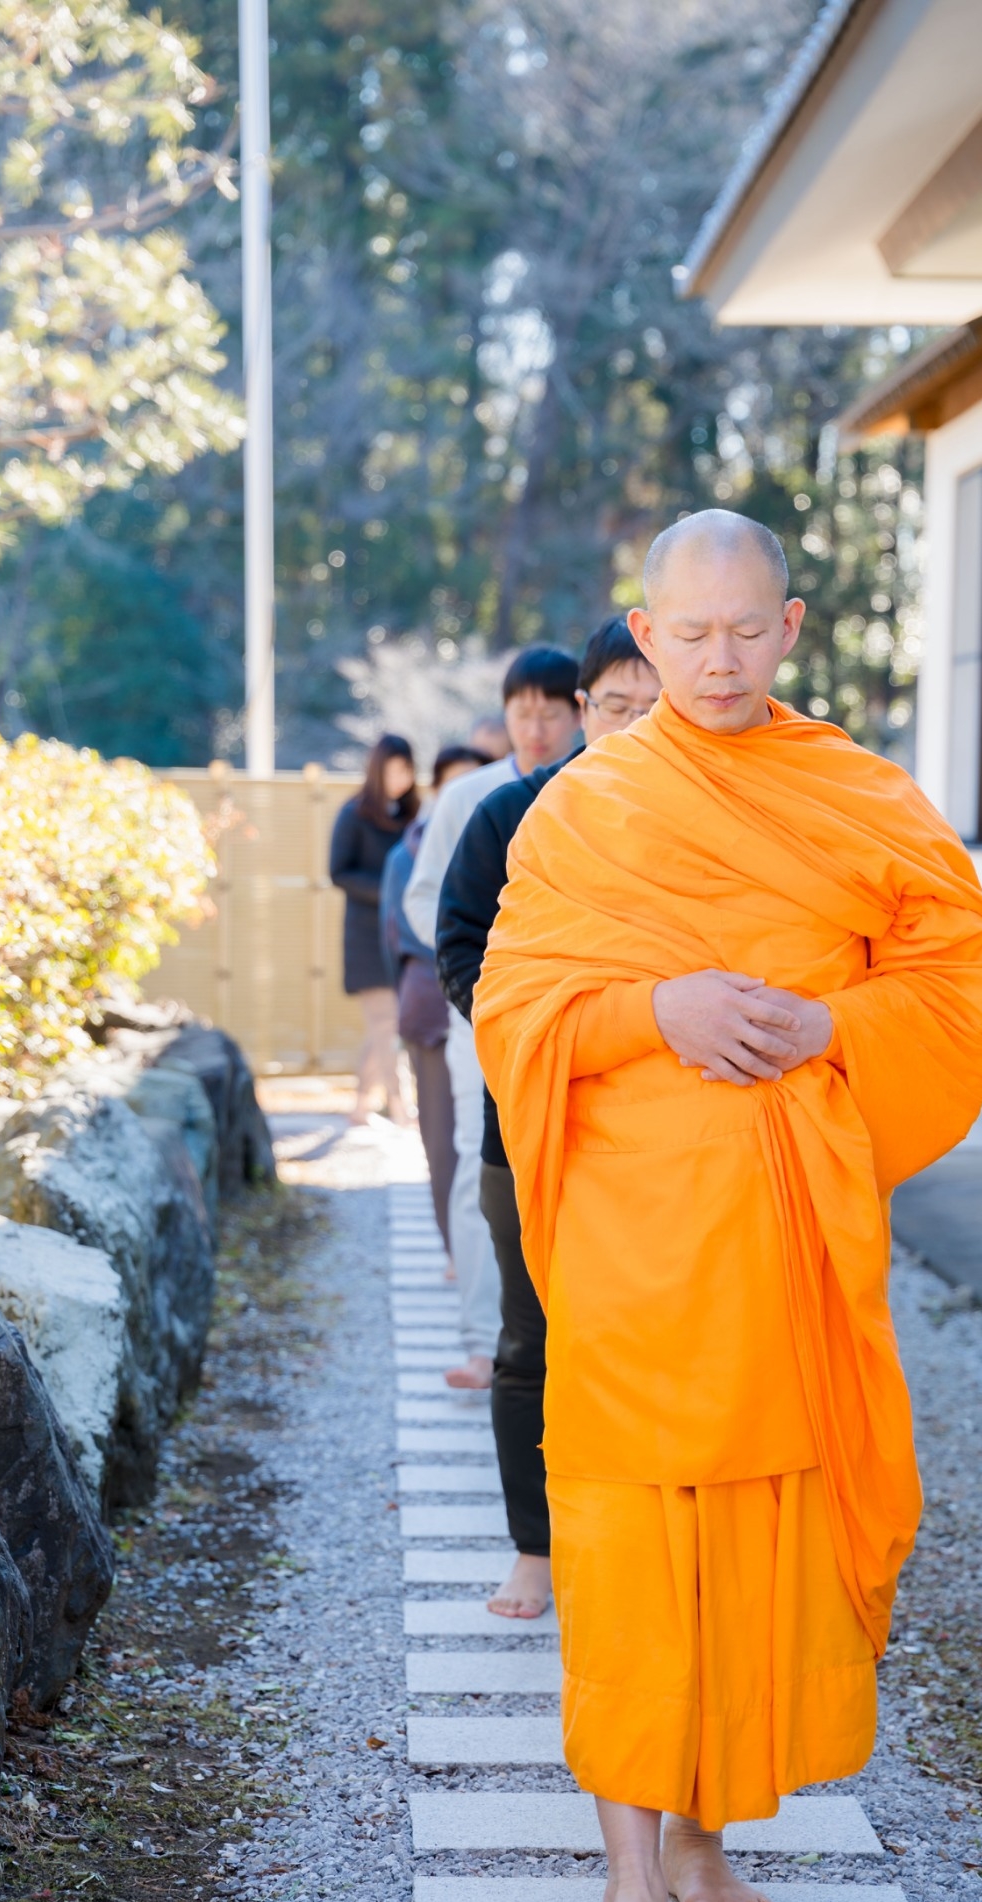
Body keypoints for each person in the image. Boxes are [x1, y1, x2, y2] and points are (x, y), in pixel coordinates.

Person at [473, 510, 982, 1902]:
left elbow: (968, 972)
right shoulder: (583, 811)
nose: (716, 660)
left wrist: (838, 1025)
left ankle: (713, 1835)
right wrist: (656, 1013)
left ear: (790, 628)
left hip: (784, 1234)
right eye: (687, 634)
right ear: (644, 639)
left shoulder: (853, 794)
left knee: (750, 1541)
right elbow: (515, 1013)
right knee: (629, 1534)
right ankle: (629, 1883)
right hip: (630, 1240)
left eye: (744, 630)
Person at [435, 619, 660, 1618]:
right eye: (615, 705)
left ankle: (642, 1536)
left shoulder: (709, 821)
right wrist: (562, 1034)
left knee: (654, 1338)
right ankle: (535, 1543)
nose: (635, 724)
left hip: (669, 1134)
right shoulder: (516, 811)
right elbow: (460, 948)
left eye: (656, 705)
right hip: (528, 1120)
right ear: (581, 710)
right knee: (531, 1333)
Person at [404, 646, 583, 1389]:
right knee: (488, 1178)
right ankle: (485, 1340)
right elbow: (426, 902)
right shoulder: (468, 797)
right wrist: (480, 986)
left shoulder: (601, 790)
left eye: (549, 713)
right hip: (481, 1018)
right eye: (521, 713)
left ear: (576, 712)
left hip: (579, 1023)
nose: (535, 729)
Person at [380, 744, 490, 1259]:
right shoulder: (410, 850)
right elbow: (403, 924)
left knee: (475, 1139)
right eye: (452, 785)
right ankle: (455, 1249)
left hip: (484, 999)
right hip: (431, 998)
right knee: (446, 1137)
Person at [329, 733, 418, 1127]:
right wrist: (387, 889)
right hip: (366, 935)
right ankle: (398, 1104)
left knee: (384, 1024)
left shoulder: (411, 817)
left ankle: (361, 1103)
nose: (403, 778)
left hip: (403, 935)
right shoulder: (354, 814)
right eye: (395, 769)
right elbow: (338, 871)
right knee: (385, 1022)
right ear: (377, 770)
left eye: (408, 770)